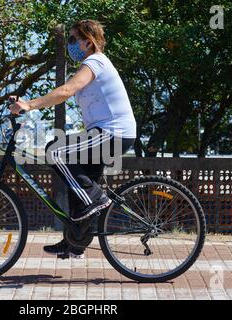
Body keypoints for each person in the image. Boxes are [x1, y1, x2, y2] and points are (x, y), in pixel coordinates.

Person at [9, 19, 137, 259]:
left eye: (72, 39)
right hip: (108, 134)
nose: (70, 45)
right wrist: (24, 101)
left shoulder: (95, 61)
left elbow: (66, 91)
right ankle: (75, 241)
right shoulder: (92, 64)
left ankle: (98, 198)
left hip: (113, 133)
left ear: (88, 42)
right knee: (77, 184)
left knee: (55, 151)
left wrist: (29, 105)